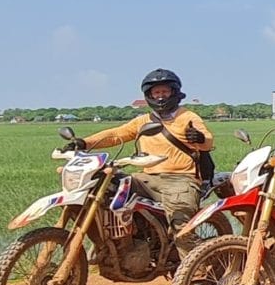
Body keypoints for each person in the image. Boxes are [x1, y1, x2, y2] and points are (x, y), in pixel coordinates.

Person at [69, 68, 212, 237]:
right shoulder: (143, 121)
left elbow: (208, 142)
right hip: (147, 178)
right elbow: (116, 135)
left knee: (181, 229)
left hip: (180, 179)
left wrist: (200, 138)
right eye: (156, 92)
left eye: (165, 91)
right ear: (149, 95)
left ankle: (197, 262)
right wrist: (84, 143)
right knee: (104, 187)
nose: (160, 96)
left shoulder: (187, 117)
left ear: (174, 92)